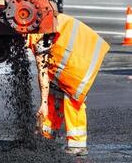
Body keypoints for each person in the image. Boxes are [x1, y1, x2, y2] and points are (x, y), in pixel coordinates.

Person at [27, 14, 110, 156]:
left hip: (80, 59)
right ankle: (46, 135)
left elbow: (43, 71)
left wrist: (43, 104)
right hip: (74, 56)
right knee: (55, 92)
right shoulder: (37, 22)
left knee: (72, 97)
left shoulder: (38, 37)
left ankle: (77, 145)